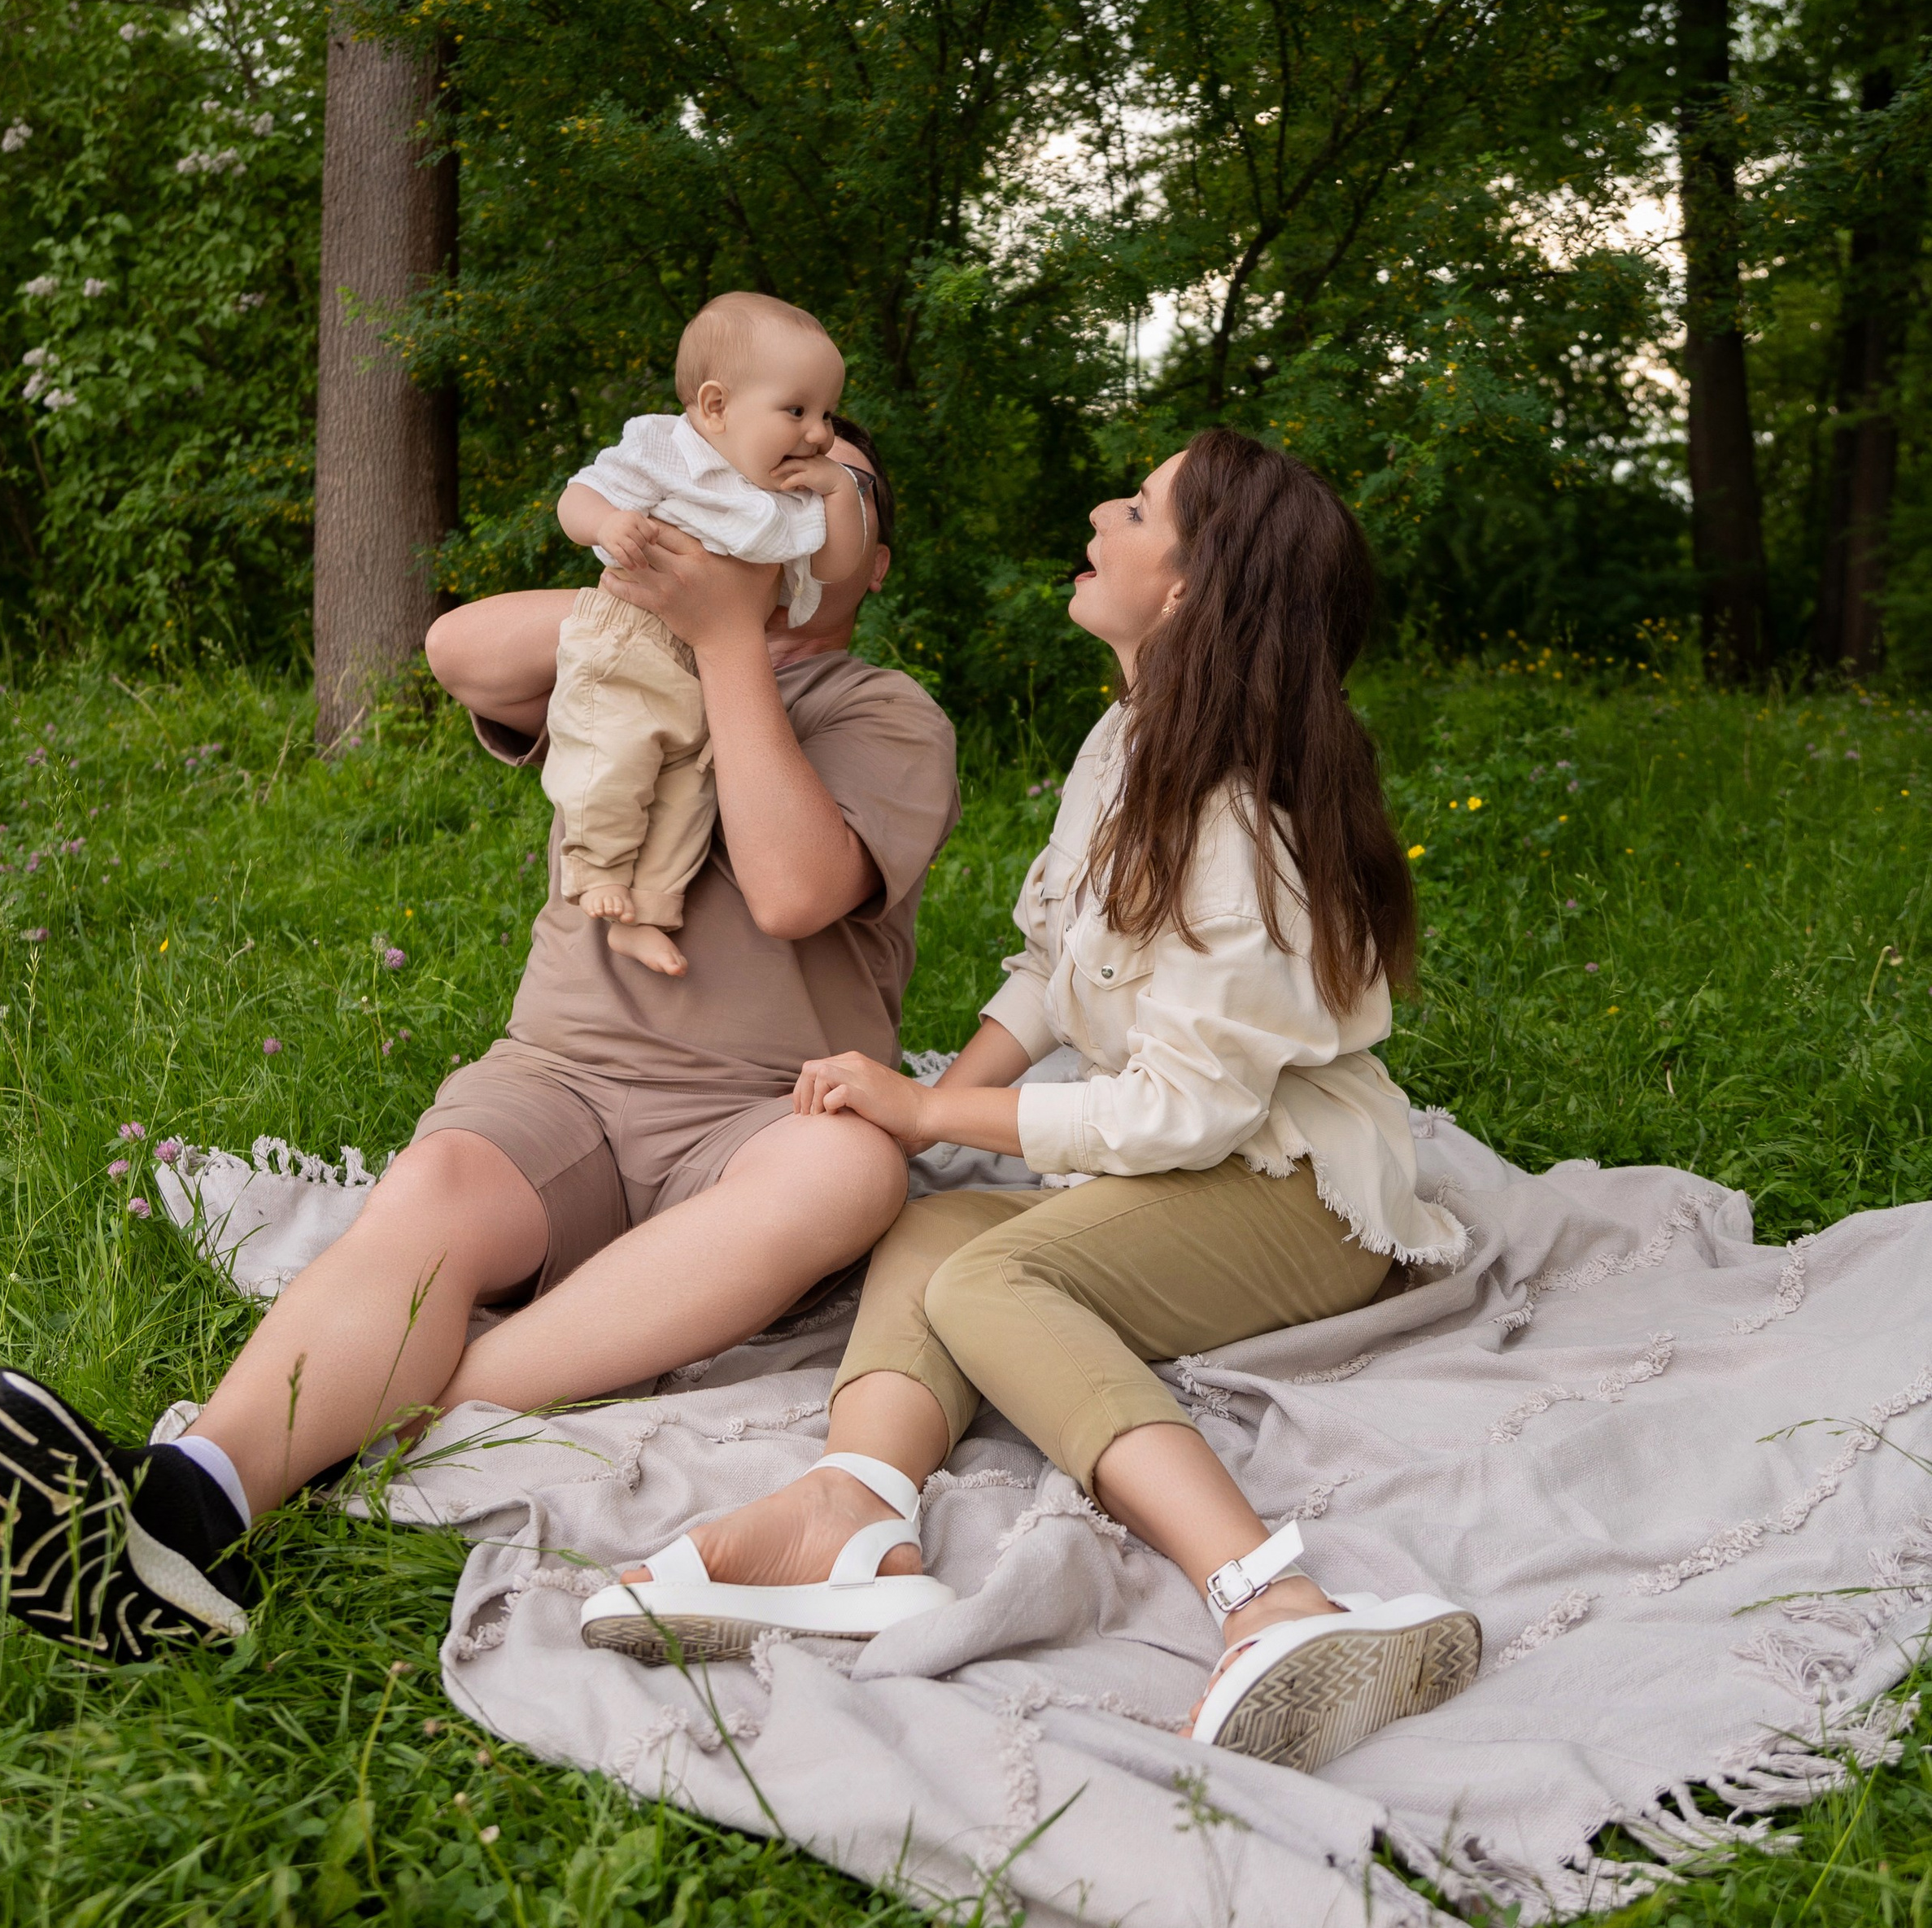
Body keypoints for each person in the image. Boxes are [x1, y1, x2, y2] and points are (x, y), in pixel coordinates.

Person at [0, 417, 960, 1665]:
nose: (794, 469)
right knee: (435, 1187)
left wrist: (738, 635)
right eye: (766, 459)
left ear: (877, 563)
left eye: (833, 472)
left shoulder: (887, 713)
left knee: (849, 1167)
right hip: (565, 1077)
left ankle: (393, 1410)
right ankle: (189, 1503)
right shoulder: (626, 652)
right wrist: (658, 577)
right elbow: (457, 649)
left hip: (753, 1109)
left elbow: (795, 892)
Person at [578, 430, 1483, 1775]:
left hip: (1302, 1189)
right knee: (933, 1239)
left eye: (1135, 507)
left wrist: (934, 1116)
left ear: (1184, 588)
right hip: (1200, 1153)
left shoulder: (1234, 820)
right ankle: (855, 1516)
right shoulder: (1129, 738)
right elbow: (1058, 968)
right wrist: (925, 1102)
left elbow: (1186, 1117)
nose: (1099, 516)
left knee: (995, 1286)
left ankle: (1271, 1598)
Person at [552, 292, 874, 976]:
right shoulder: (668, 453)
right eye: (797, 411)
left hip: (715, 670)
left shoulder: (791, 498)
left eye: (826, 414)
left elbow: (839, 562)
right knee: (613, 755)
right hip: (630, 639)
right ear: (717, 406)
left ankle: (647, 909)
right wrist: (606, 524)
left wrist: (841, 491)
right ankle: (598, 868)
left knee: (689, 793)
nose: (818, 434)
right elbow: (576, 496)